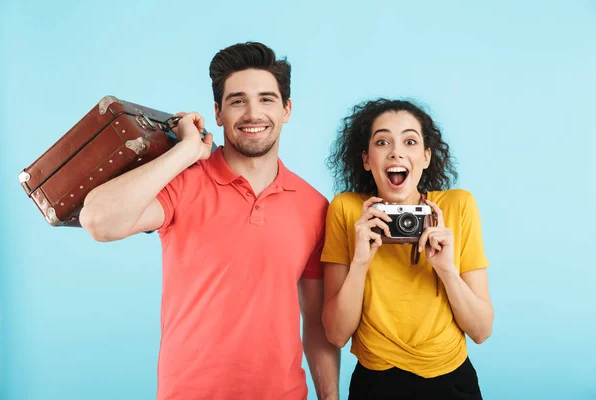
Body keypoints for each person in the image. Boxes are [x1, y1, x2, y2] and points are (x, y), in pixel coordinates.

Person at [80, 42, 339, 400]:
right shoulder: (184, 183)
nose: (252, 114)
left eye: (266, 99)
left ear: (286, 109)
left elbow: (314, 321)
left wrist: (329, 397)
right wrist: (186, 152)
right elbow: (97, 221)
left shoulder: (313, 206)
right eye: (237, 101)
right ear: (217, 113)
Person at [321, 98, 493, 399]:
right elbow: (336, 335)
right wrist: (360, 262)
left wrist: (447, 271)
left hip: (451, 377)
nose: (396, 152)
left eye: (410, 141)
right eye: (383, 142)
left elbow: (481, 331)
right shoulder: (348, 211)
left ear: (426, 157)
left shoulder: (456, 206)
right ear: (366, 159)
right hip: (375, 381)